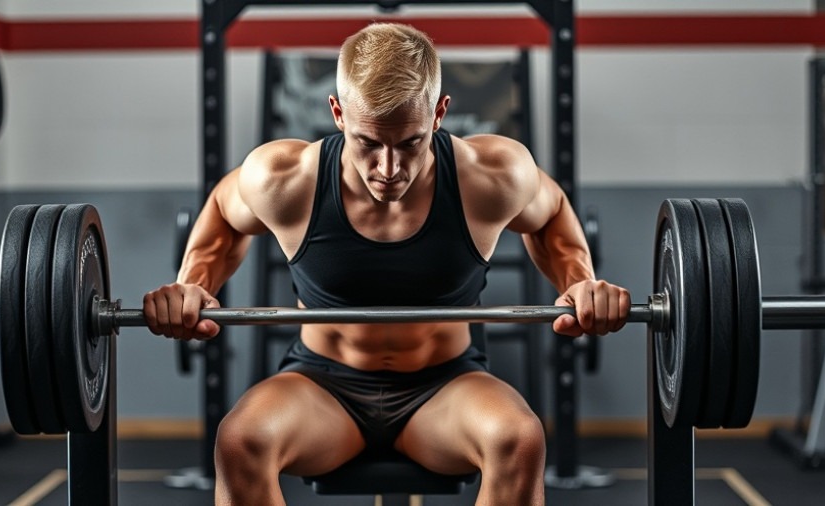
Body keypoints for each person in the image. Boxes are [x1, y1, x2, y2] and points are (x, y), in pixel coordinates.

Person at [144, 22, 630, 506]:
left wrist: (580, 283)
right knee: (239, 442)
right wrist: (192, 285)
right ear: (337, 114)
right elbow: (224, 218)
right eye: (369, 143)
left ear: (439, 114)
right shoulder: (285, 178)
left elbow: (552, 217)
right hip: (323, 386)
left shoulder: (491, 175)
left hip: (445, 387)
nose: (389, 168)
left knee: (519, 440)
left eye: (410, 143)